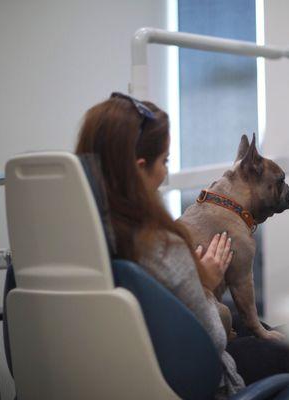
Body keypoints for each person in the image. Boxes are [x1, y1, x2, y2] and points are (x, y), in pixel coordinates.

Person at [75, 92, 244, 398]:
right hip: (187, 386)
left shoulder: (71, 245)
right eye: (164, 160)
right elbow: (213, 339)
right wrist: (204, 284)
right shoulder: (160, 247)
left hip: (107, 384)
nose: (166, 171)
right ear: (140, 169)